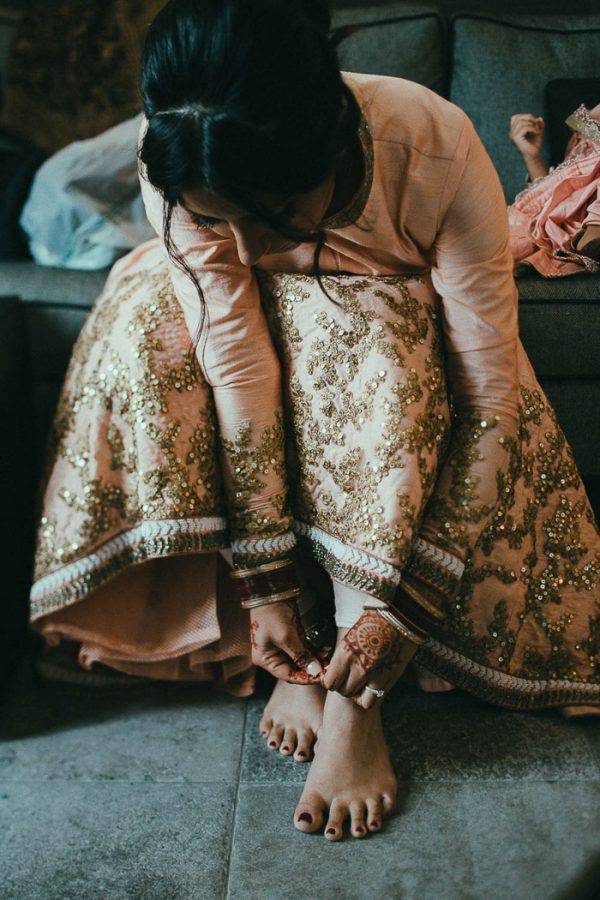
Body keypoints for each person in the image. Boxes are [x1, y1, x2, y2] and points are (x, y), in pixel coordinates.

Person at [30, 0, 600, 841]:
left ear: (331, 145)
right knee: (149, 322)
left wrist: (403, 609)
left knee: (375, 336)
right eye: (223, 219)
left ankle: (352, 694)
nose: (252, 250)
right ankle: (288, 642)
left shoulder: (434, 145)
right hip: (230, 338)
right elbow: (237, 358)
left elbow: (487, 394)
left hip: (383, 313)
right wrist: (265, 585)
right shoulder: (179, 168)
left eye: (275, 215)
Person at [508, 105, 600, 275]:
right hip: (567, 226)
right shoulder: (587, 130)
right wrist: (531, 157)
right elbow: (564, 199)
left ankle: (595, 228)